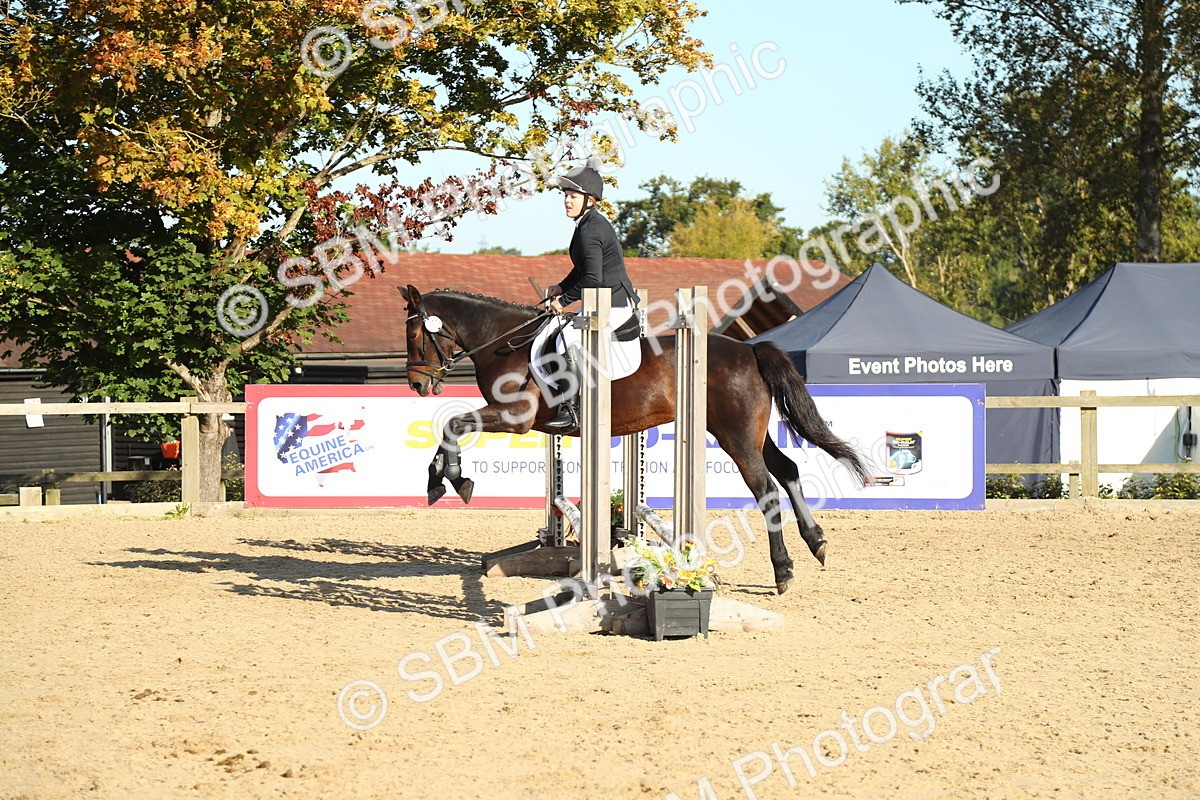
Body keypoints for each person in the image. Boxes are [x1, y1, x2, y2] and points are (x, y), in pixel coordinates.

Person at [541, 160, 638, 433]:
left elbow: (593, 278)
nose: (566, 201)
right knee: (562, 332)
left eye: (572, 196)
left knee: (567, 338)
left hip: (614, 303)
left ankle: (571, 410)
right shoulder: (586, 224)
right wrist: (561, 287)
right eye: (565, 196)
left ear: (590, 200)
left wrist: (563, 301)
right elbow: (583, 269)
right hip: (603, 300)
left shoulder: (591, 229)